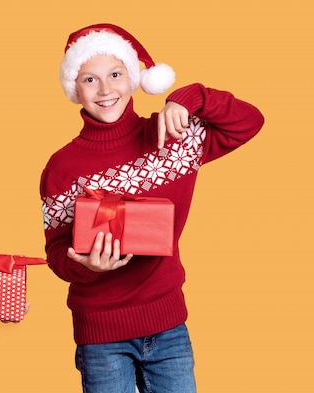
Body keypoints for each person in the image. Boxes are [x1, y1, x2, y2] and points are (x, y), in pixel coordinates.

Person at [39, 23, 264, 392]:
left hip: (169, 327)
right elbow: (56, 255)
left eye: (115, 74)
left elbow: (250, 121)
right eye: (90, 80)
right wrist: (88, 267)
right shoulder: (61, 167)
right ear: (74, 90)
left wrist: (191, 98)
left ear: (134, 77)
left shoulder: (173, 135)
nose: (106, 89)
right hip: (101, 335)